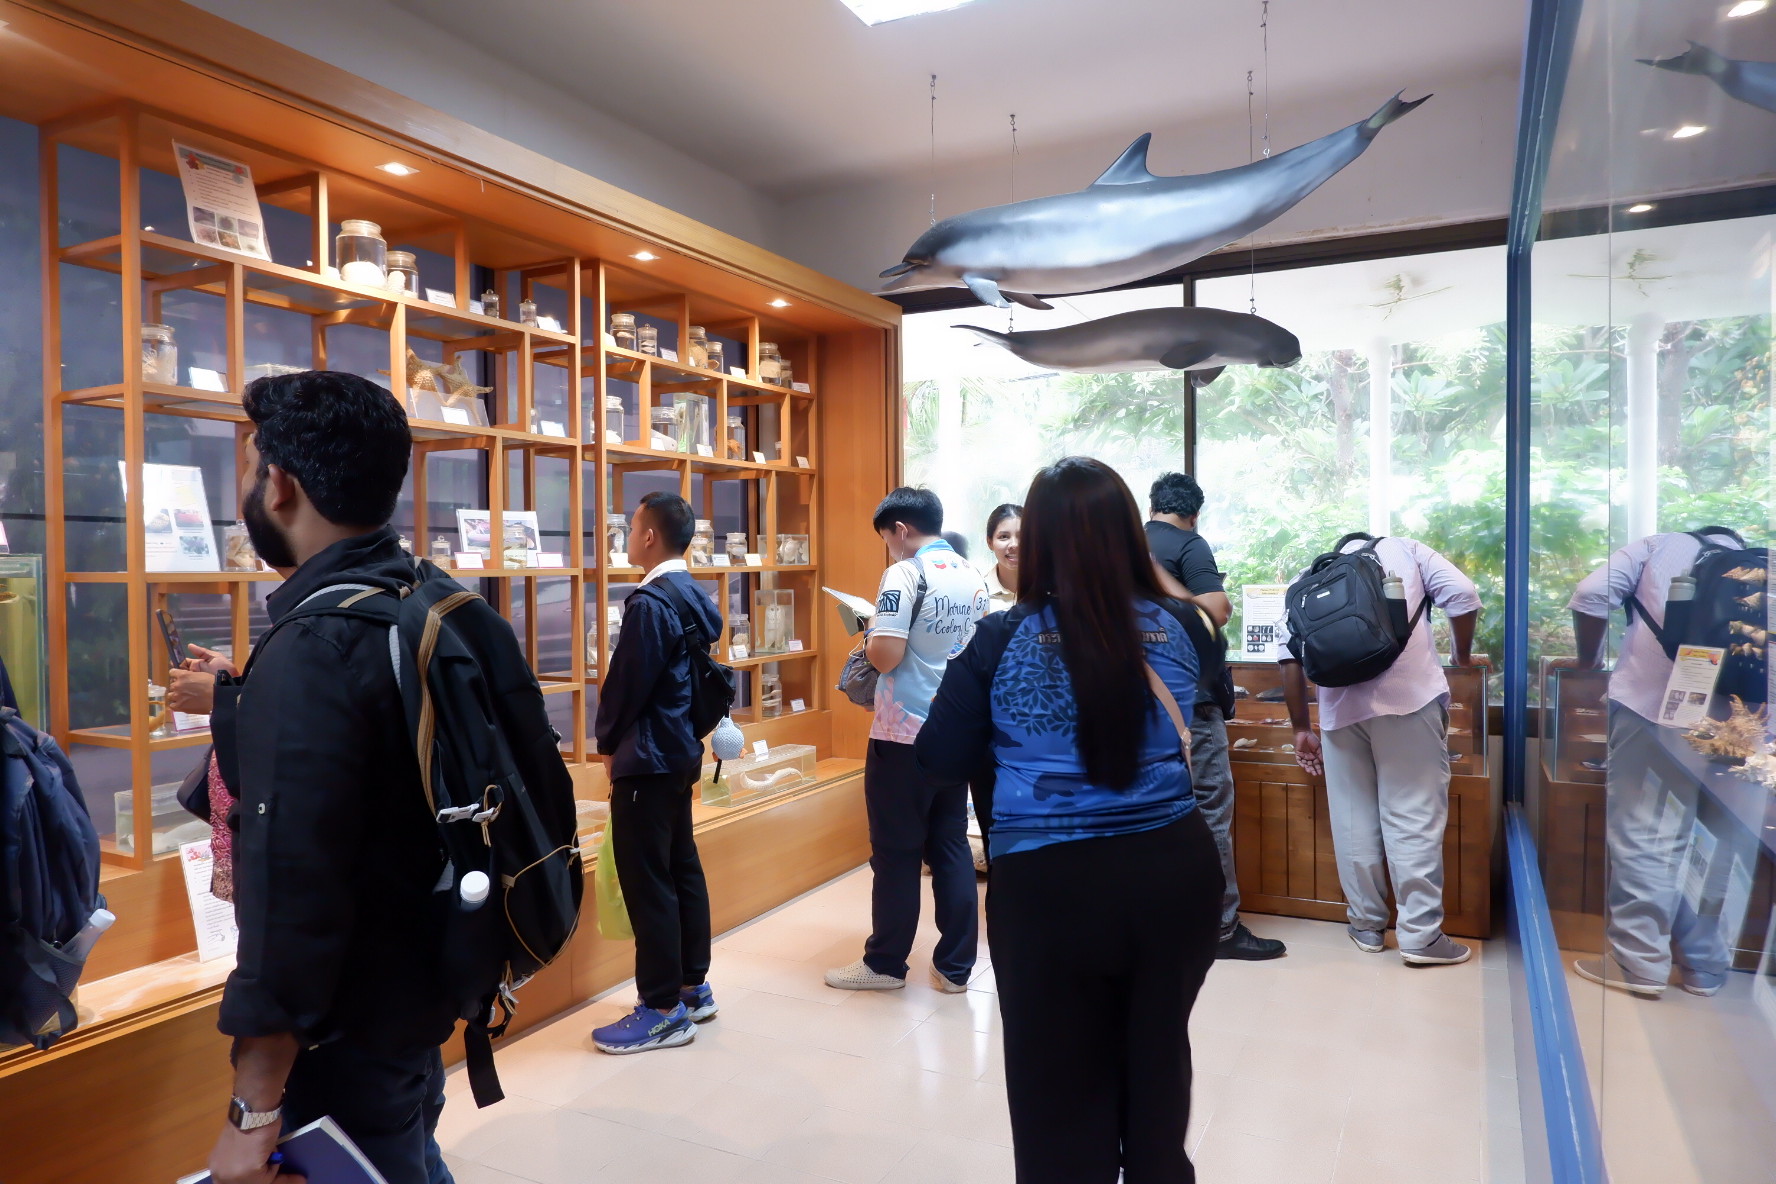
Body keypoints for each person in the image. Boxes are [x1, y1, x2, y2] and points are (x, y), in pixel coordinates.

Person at [917, 457, 1221, 1183]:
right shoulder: (1186, 625)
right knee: (1158, 1058)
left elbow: (938, 759)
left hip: (1050, 885)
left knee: (1056, 1085)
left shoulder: (1000, 637)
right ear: (1130, 533)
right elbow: (1205, 700)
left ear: (1039, 540)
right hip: (1176, 872)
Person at [202, 371, 458, 1184]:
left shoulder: (313, 646)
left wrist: (253, 1108)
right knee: (410, 1151)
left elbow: (294, 895)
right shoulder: (422, 596)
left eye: (251, 469)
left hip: (345, 1028)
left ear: (279, 485)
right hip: (421, 991)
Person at [1278, 533, 1482, 966]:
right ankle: (1421, 936)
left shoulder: (1307, 576)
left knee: (1352, 820)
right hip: (1409, 700)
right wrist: (1461, 657)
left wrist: (1301, 728)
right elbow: (1462, 594)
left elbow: (1289, 658)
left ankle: (1367, 925)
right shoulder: (1404, 549)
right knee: (1412, 816)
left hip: (1339, 713)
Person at [1566, 528, 1746, 997]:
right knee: (1718, 844)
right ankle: (1705, 966)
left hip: (1657, 707)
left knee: (1647, 834)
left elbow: (1591, 593)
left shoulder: (1659, 546)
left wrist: (1589, 660)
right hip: (1743, 721)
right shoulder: (1757, 566)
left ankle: (1639, 962)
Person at [826, 487, 987, 994]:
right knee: (950, 845)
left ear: (900, 529)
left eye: (887, 539)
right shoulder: (971, 574)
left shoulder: (904, 573)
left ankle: (885, 964)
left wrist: (871, 624)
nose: (889, 549)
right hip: (956, 731)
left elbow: (886, 656)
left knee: (896, 851)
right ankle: (956, 968)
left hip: (903, 733)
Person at [592, 491, 724, 1051]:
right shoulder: (691, 593)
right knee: (680, 867)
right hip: (680, 752)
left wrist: (604, 741)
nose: (627, 537)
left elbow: (627, 684)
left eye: (631, 527)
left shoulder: (649, 603)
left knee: (648, 882)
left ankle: (662, 1008)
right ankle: (693, 986)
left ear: (649, 536)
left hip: (646, 759)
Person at [1146, 472, 1285, 961]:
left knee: (1152, 813)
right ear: (1194, 514)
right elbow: (1217, 610)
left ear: (1151, 506)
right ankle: (1221, 929)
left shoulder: (1124, 547)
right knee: (1209, 808)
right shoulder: (1189, 543)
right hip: (1191, 700)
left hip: (1139, 700)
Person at [982, 502, 1021, 612]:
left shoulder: (1047, 590)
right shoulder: (980, 593)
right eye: (1004, 536)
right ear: (990, 542)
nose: (1014, 545)